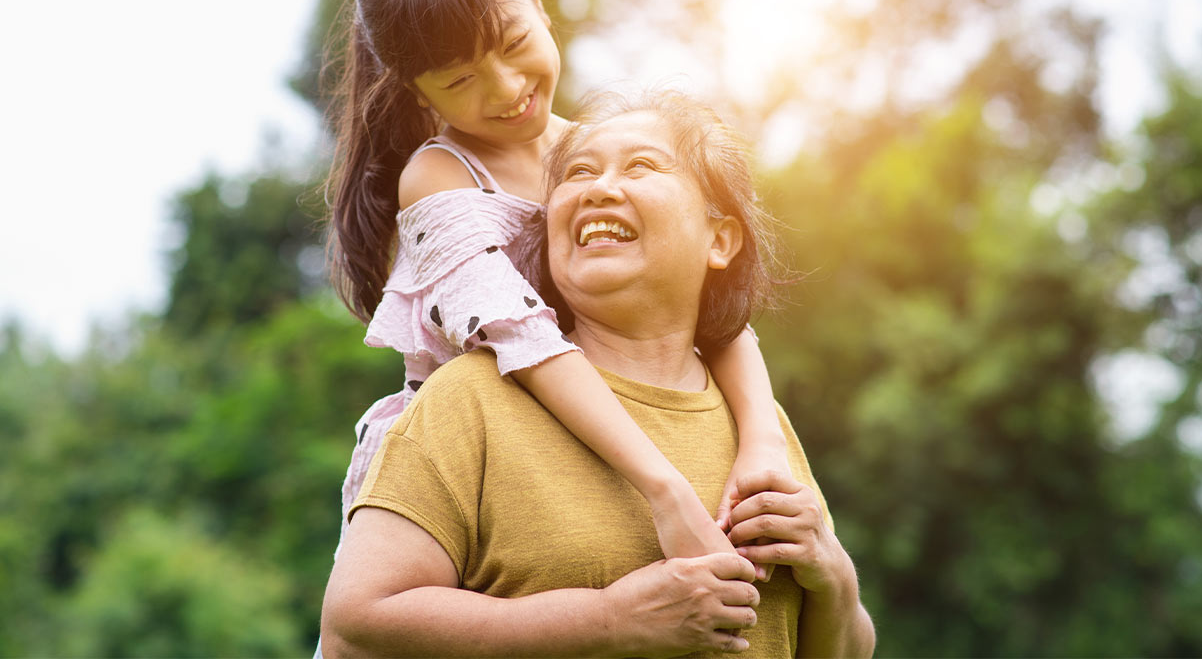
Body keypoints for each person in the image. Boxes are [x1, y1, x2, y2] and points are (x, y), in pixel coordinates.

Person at [324, 0, 796, 564]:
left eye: (514, 43)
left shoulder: (594, 155)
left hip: (600, 431)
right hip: (466, 462)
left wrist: (761, 444)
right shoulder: (441, 177)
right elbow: (522, 337)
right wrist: (665, 488)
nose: (508, 87)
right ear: (418, 92)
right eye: (461, 79)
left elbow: (714, 312)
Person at [321, 89, 875, 657]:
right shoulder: (468, 399)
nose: (598, 188)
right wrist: (608, 620)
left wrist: (833, 576)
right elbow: (354, 631)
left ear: (720, 239)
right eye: (579, 172)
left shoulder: (761, 427)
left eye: (641, 165)